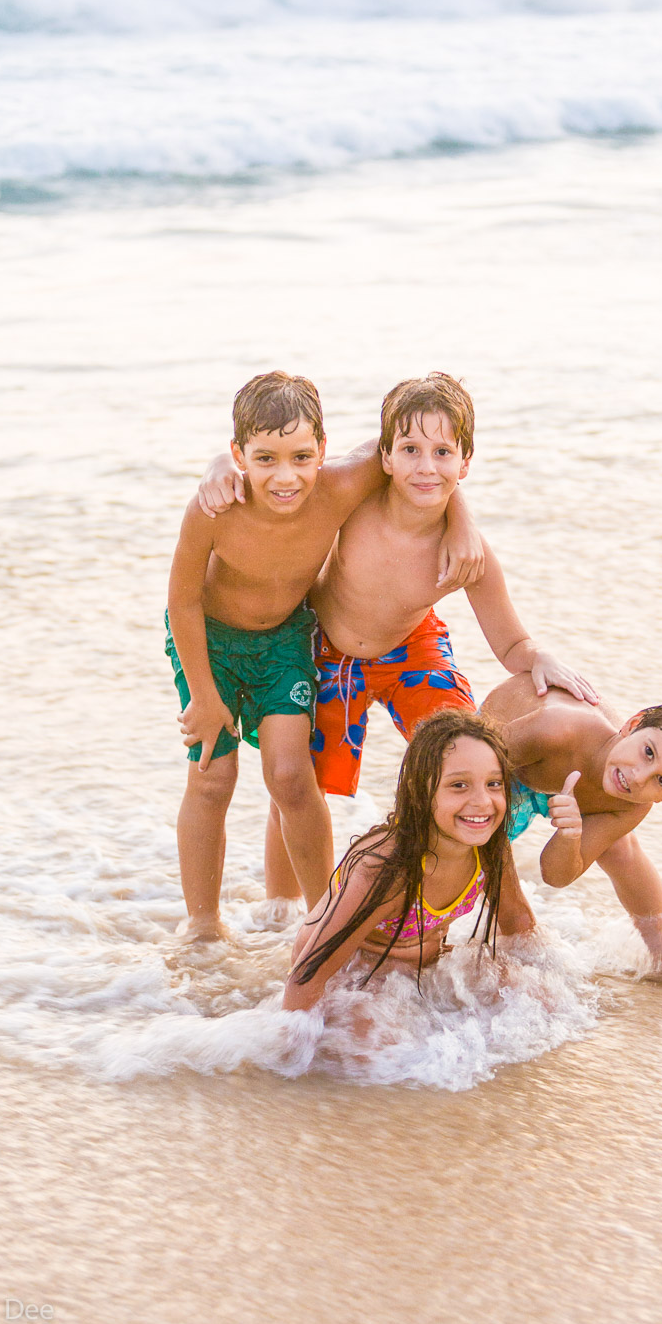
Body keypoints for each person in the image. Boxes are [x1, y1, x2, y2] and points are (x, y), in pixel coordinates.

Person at [199, 372, 595, 902]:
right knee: (296, 788)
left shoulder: (468, 554)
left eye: (442, 452)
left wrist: (537, 656)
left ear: (465, 463)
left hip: (414, 649)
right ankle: (286, 909)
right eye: (409, 449)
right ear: (386, 457)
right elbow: (289, 469)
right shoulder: (357, 497)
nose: (426, 465)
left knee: (467, 760)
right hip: (329, 656)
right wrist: (220, 463)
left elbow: (509, 643)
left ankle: (484, 905)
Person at [166, 370, 482, 941]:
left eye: (300, 457)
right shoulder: (215, 508)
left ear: (323, 452)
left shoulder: (339, 483)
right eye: (264, 459)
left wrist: (463, 518)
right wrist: (206, 698)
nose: (285, 477)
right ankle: (203, 925)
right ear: (240, 455)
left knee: (291, 776)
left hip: (288, 637)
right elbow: (182, 601)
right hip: (208, 641)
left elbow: (420, 461)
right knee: (213, 776)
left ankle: (324, 916)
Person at [283, 709, 564, 1011]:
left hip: (422, 970)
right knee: (382, 1049)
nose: (483, 801)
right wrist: (294, 1041)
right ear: (421, 791)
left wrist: (550, 972)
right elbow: (308, 974)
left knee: (540, 996)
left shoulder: (489, 849)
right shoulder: (387, 869)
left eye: (494, 784)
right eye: (459, 785)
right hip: (350, 977)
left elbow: (519, 924)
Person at [481, 675, 662, 966]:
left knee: (618, 847)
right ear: (632, 724)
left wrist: (571, 836)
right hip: (503, 759)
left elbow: (556, 875)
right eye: (648, 752)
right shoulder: (557, 729)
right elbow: (467, 768)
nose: (638, 777)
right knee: (511, 904)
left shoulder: (633, 802)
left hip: (560, 786)